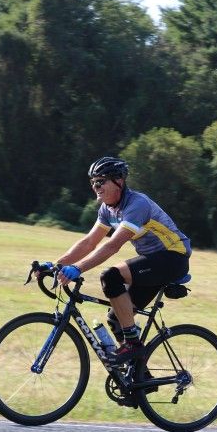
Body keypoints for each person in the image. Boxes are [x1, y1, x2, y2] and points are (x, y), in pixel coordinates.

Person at [52, 156, 191, 364]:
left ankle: (133, 345)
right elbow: (89, 242)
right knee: (117, 319)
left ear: (119, 181)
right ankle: (139, 383)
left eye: (100, 181)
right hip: (152, 261)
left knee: (111, 277)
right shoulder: (107, 210)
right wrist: (56, 265)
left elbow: (112, 246)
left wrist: (77, 268)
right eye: (92, 182)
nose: (95, 187)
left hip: (173, 256)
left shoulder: (137, 204)